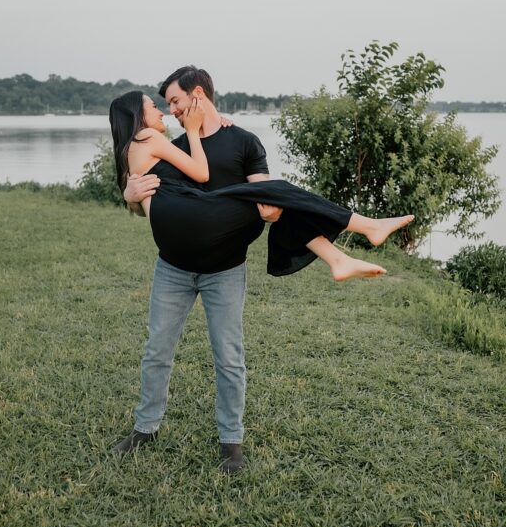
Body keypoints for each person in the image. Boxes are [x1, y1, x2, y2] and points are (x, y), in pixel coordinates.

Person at [108, 66, 412, 472]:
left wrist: (269, 209)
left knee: (229, 356)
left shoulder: (243, 141)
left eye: (176, 101)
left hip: (224, 269)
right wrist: (128, 194)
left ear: (198, 95)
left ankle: (231, 442)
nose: (172, 110)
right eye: (164, 105)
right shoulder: (175, 143)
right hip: (175, 267)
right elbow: (155, 199)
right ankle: (145, 429)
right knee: (157, 351)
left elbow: (265, 195)